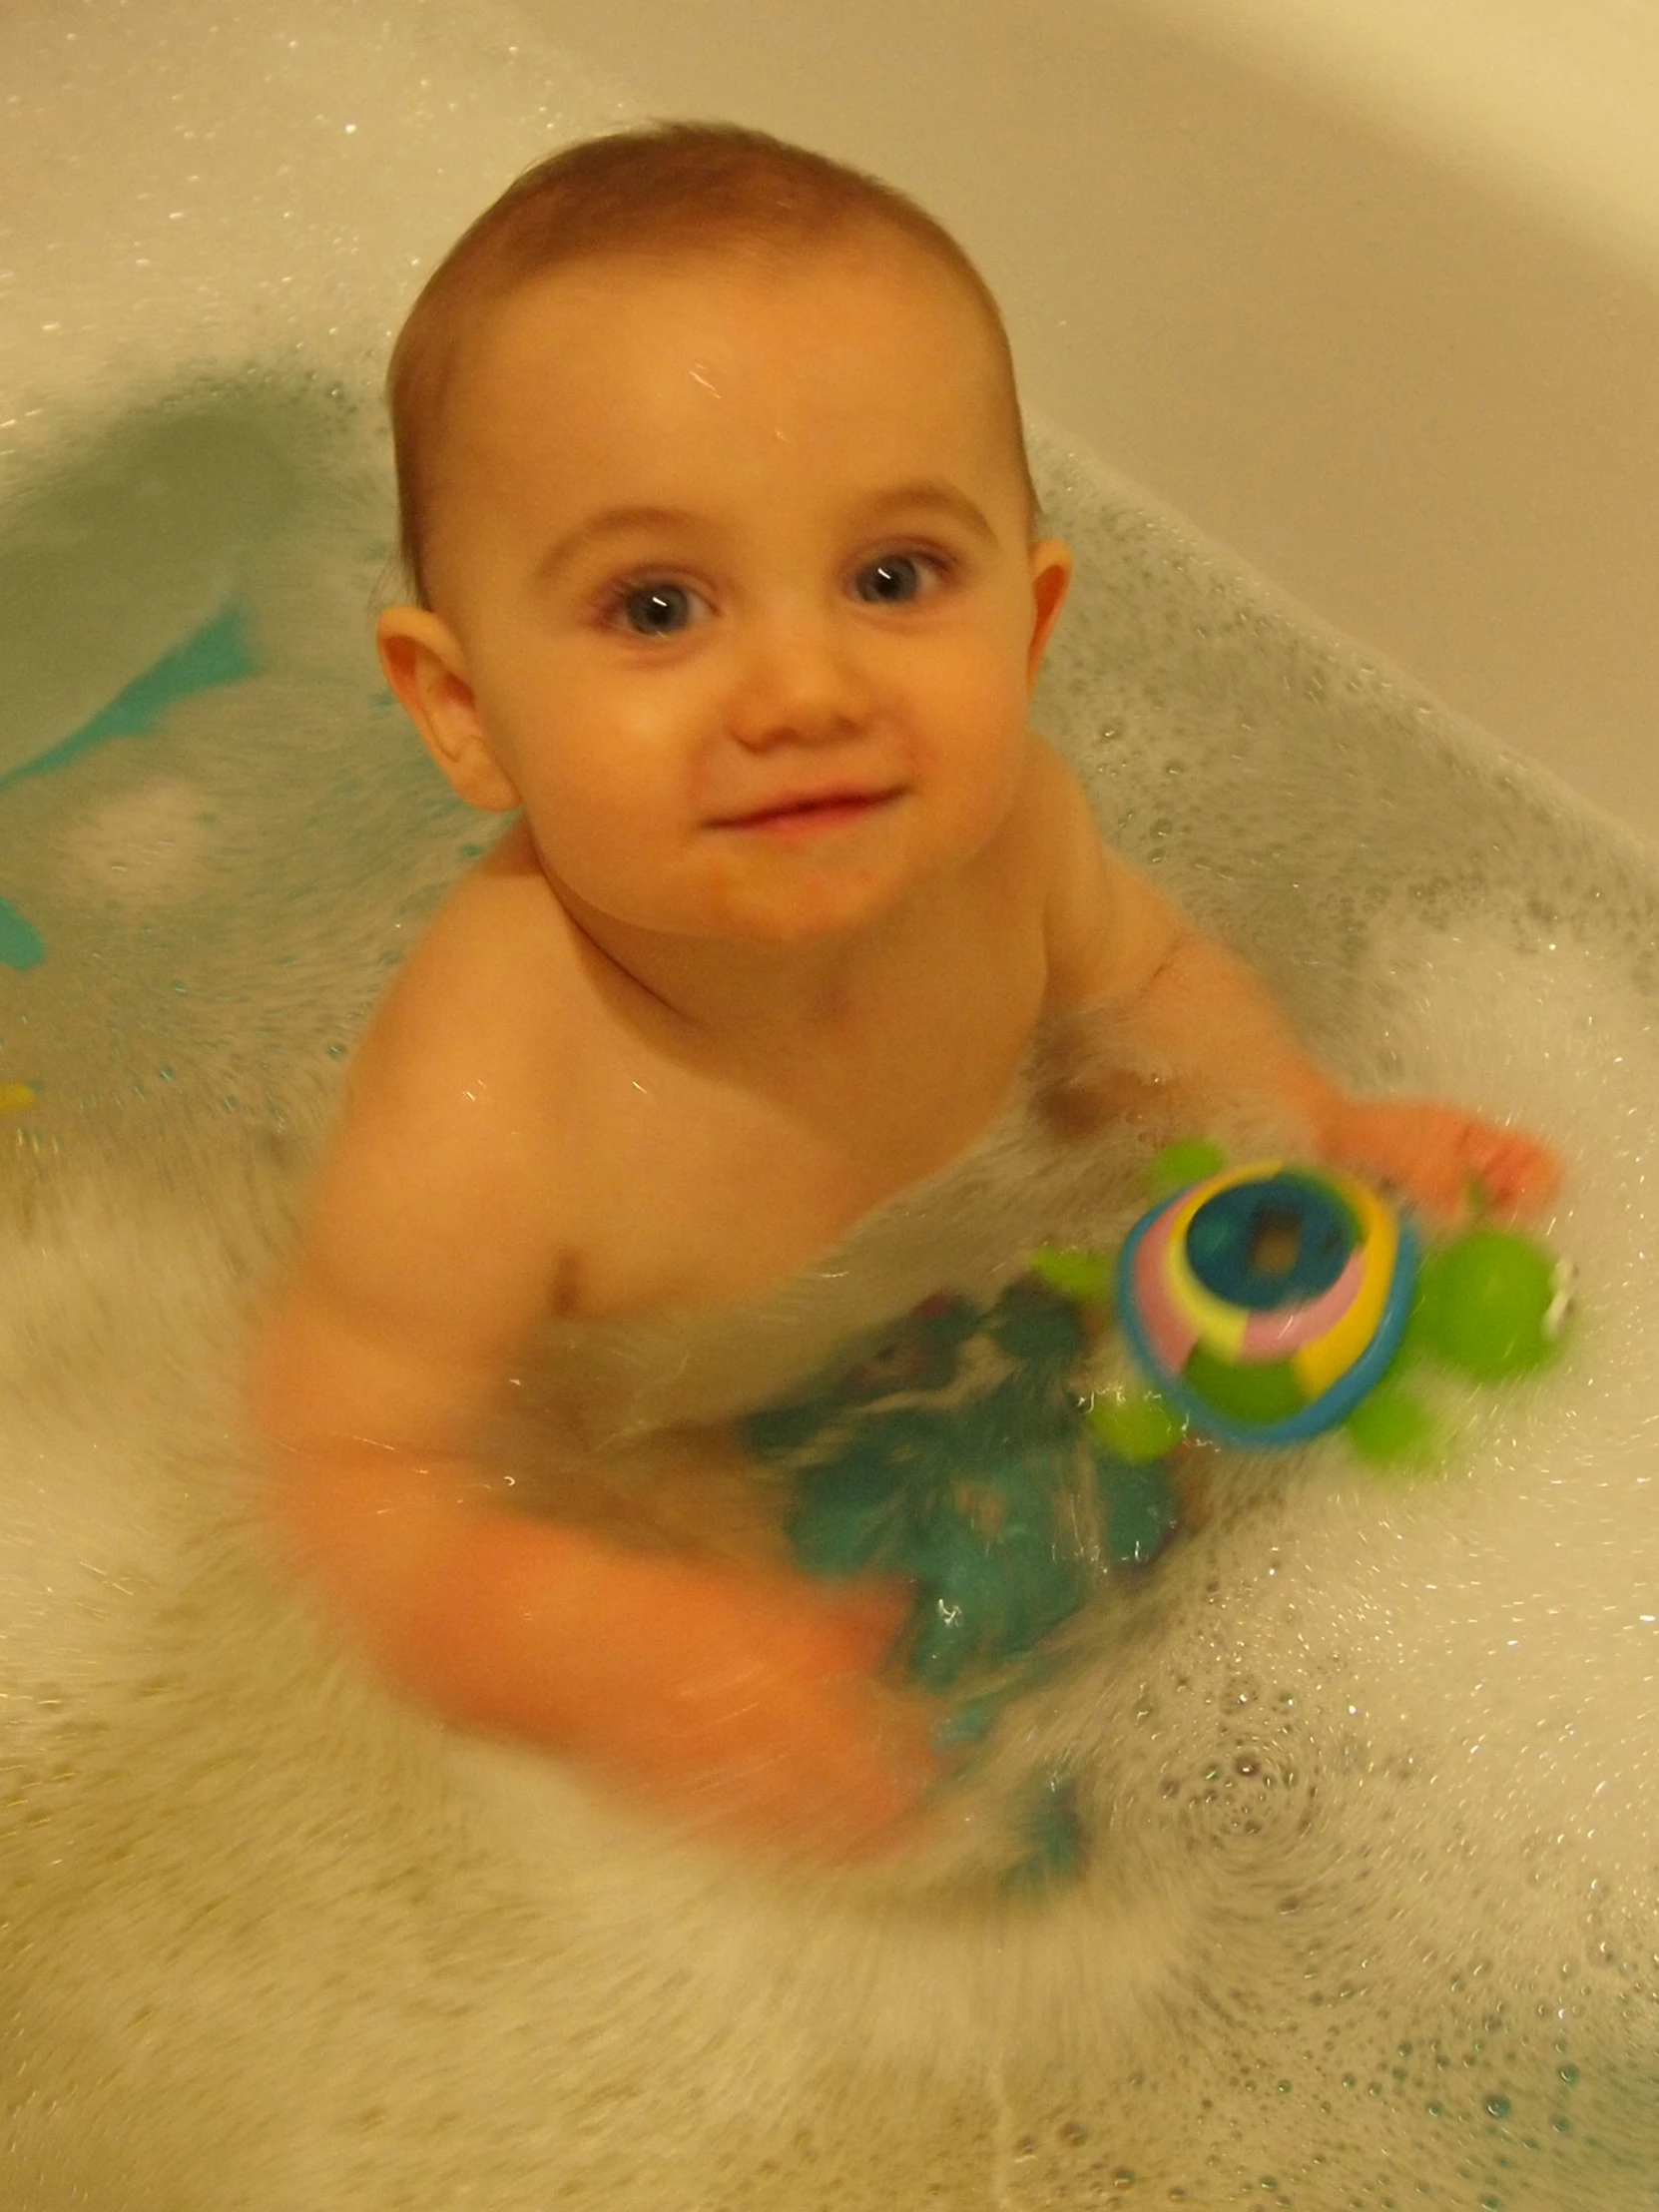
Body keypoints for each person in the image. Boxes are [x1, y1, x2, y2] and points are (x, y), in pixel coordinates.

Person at [247, 123, 1558, 1860]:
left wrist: (1300, 1130)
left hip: (999, 1329)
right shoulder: (495, 1096)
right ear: (461, 706)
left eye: (891, 578)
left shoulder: (1006, 834)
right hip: (676, 1483)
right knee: (898, 1851)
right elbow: (347, 1471)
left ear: (1027, 623)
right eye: (656, 605)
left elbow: (1141, 983)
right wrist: (600, 1647)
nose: (802, 683)